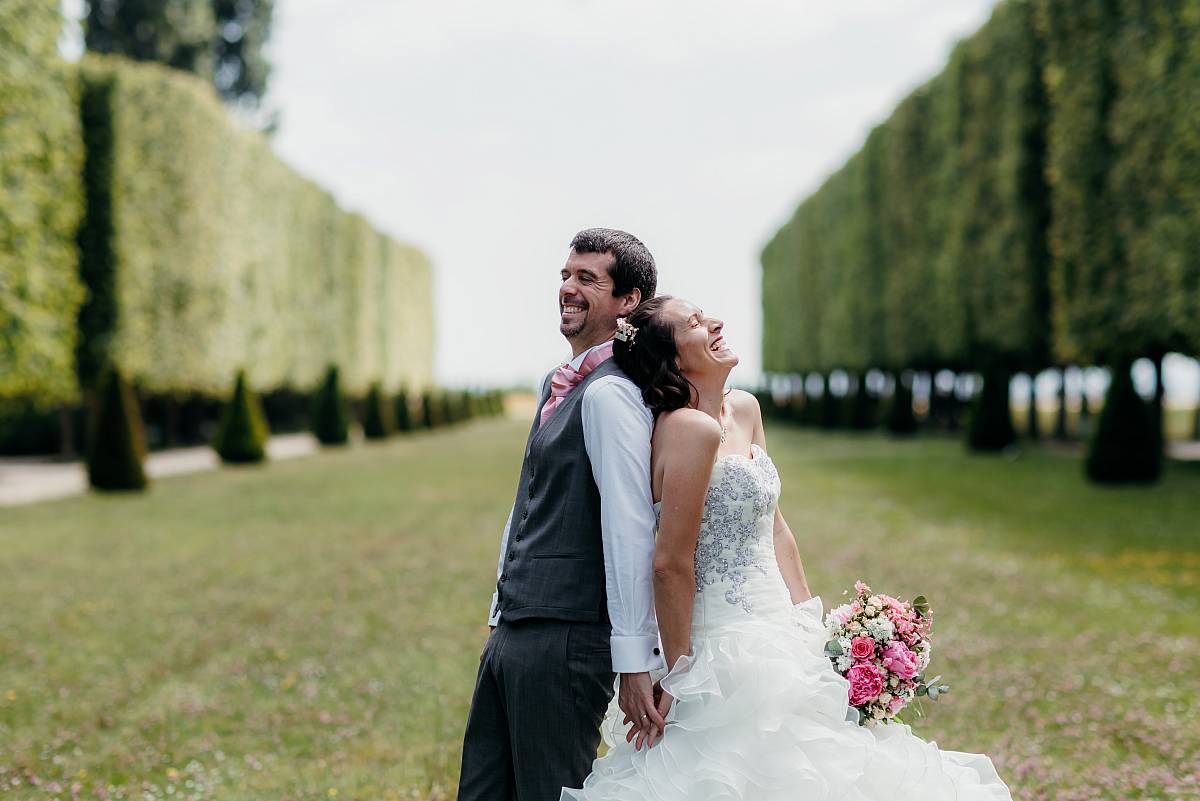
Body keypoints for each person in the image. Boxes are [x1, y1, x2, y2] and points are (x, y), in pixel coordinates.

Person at [561, 295, 1013, 801]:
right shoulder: (687, 430)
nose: (715, 320)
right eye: (694, 322)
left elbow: (775, 529)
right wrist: (685, 676)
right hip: (722, 647)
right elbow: (670, 565)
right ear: (673, 359)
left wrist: (814, 629)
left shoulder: (746, 409)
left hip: (783, 632)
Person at [455, 228, 671, 801]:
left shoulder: (610, 394)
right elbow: (527, 502)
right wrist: (501, 609)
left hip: (567, 638)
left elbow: (629, 529)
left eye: (587, 279)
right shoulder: (557, 383)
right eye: (565, 276)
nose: (568, 289)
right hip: (517, 627)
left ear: (628, 300)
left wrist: (634, 659)